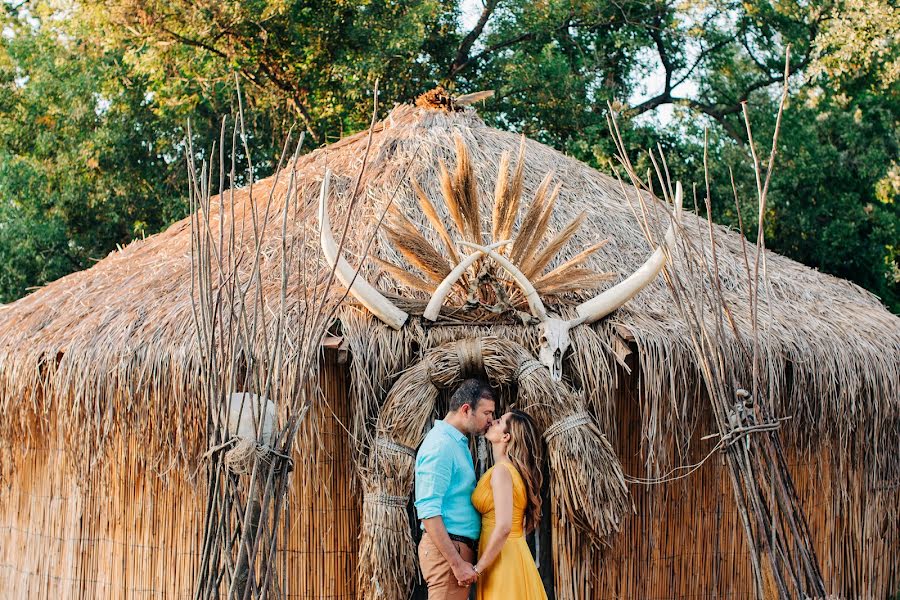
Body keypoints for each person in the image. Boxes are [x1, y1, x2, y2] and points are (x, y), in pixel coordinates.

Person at [415, 378, 496, 600]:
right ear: (466, 409)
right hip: (449, 553)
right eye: (487, 413)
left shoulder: (456, 443)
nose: (491, 420)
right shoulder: (441, 445)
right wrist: (457, 563)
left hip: (456, 550)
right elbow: (428, 510)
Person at [471, 409, 548, 600]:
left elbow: (505, 527)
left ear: (506, 436)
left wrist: (478, 568)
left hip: (503, 560)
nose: (492, 422)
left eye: (499, 421)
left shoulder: (502, 472)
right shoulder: (512, 472)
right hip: (509, 554)